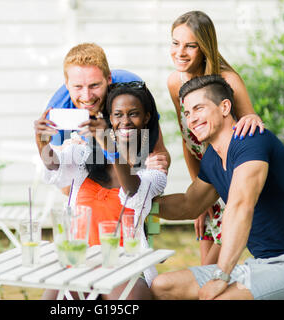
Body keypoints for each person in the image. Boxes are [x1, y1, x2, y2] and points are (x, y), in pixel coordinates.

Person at [151, 74, 284, 300]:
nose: (191, 119)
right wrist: (142, 202)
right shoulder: (212, 157)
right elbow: (189, 204)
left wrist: (221, 276)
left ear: (225, 107)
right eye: (188, 113)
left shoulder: (251, 140)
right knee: (162, 286)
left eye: (198, 108)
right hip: (257, 266)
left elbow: (241, 206)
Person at [35, 81, 167, 300]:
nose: (125, 121)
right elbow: (53, 164)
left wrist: (110, 145)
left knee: (132, 300)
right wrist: (42, 143)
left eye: (133, 114)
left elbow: (132, 188)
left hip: (126, 265)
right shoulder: (82, 155)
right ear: (109, 119)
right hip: (80, 262)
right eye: (118, 114)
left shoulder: (153, 166)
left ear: (146, 118)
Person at [167, 10, 265, 265]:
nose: (180, 52)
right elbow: (187, 140)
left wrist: (253, 117)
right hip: (205, 177)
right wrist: (199, 199)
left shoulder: (227, 80)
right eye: (176, 43)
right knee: (204, 267)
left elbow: (250, 126)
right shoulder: (175, 83)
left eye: (190, 45)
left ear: (205, 47)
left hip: (232, 177)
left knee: (213, 267)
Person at [43, 43, 170, 179]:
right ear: (67, 84)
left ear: (108, 79)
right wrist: (73, 158)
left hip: (135, 176)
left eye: (94, 85)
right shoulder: (56, 113)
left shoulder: (132, 91)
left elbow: (160, 154)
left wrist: (158, 162)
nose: (87, 97)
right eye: (78, 87)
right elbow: (64, 184)